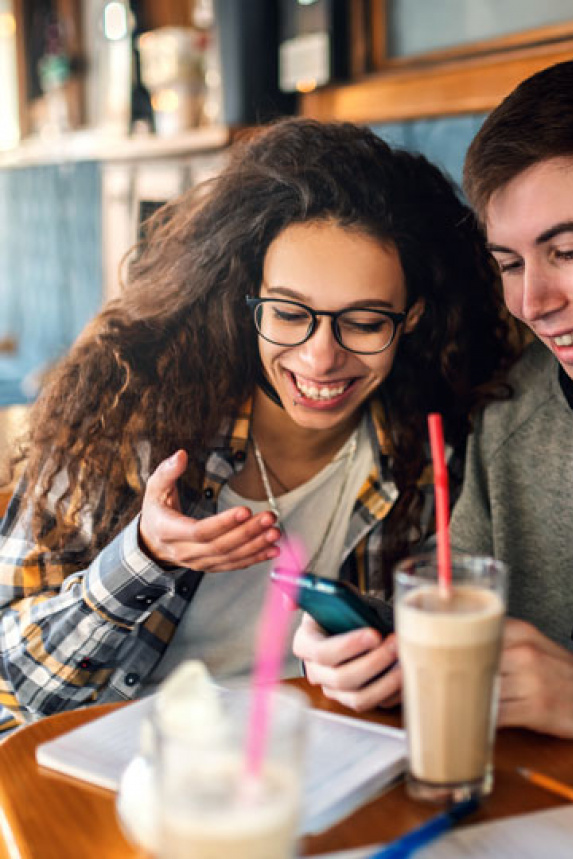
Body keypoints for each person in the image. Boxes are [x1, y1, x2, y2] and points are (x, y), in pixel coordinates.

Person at [0, 117, 516, 731]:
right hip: (120, 763)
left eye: (365, 321)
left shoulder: (427, 452)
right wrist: (143, 555)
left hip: (308, 761)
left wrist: (385, 650)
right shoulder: (126, 419)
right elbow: (16, 682)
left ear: (411, 320)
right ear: (245, 300)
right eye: (290, 313)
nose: (321, 355)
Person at [297, 55, 573, 791]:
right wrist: (377, 649)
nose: (533, 301)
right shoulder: (516, 405)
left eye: (569, 250)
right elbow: (458, 606)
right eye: (510, 263)